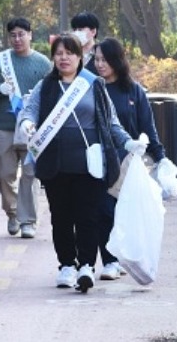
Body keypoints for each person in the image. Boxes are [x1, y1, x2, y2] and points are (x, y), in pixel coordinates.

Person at [18, 34, 145, 293]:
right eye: (59, 53)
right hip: (55, 164)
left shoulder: (93, 84)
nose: (64, 58)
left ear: (79, 57)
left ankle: (86, 265)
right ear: (53, 57)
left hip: (89, 163)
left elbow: (110, 122)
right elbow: (29, 110)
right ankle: (67, 265)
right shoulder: (46, 86)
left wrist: (128, 143)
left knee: (88, 216)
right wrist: (27, 124)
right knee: (61, 217)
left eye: (70, 53)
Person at [92, 37, 175, 280]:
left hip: (128, 161)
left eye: (105, 60)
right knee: (104, 210)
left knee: (126, 211)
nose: (100, 65)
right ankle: (109, 261)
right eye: (96, 60)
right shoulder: (93, 88)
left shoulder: (133, 91)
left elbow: (147, 126)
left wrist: (160, 157)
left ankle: (124, 257)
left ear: (117, 61)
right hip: (100, 160)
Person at [0, 17, 51, 239]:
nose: (17, 39)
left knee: (30, 174)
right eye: (13, 35)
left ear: (30, 35)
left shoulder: (43, 63)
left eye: (21, 34)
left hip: (31, 128)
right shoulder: (0, 61)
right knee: (3, 173)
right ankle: (13, 212)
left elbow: (51, 92)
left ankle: (28, 221)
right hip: (5, 125)